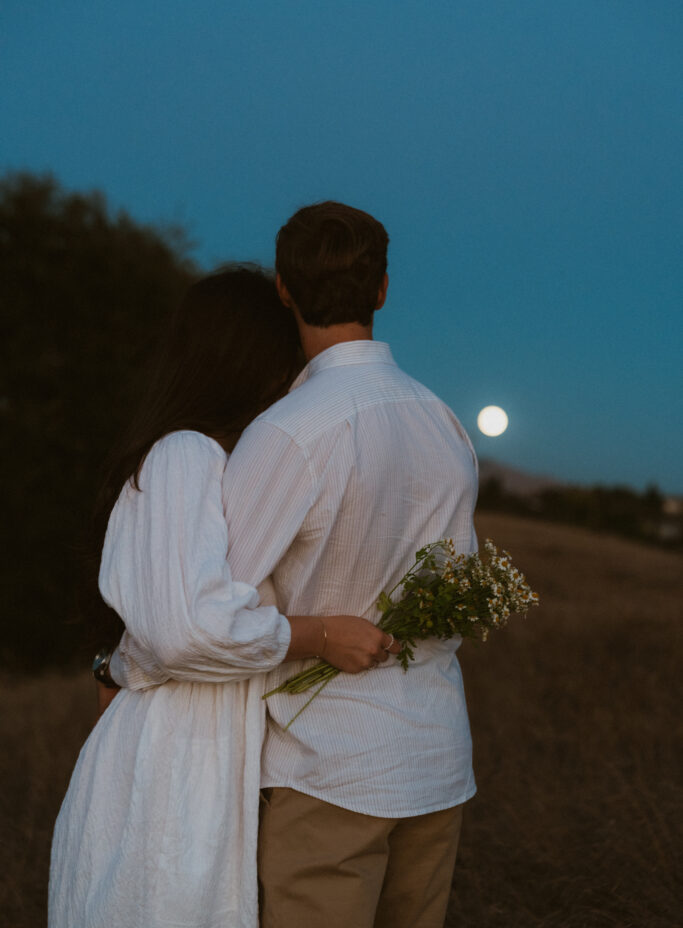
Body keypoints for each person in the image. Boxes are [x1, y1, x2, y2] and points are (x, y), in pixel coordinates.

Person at [114, 203, 479, 928]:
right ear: (381, 290)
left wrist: (122, 668)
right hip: (436, 759)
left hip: (330, 771)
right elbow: (458, 587)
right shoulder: (443, 421)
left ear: (282, 289)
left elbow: (207, 609)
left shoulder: (288, 432)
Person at [48, 266, 397, 928]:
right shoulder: (186, 454)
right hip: (175, 758)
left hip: (196, 746)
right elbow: (183, 630)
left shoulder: (215, 461)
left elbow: (158, 628)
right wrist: (320, 634)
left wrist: (119, 662)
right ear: (256, 352)